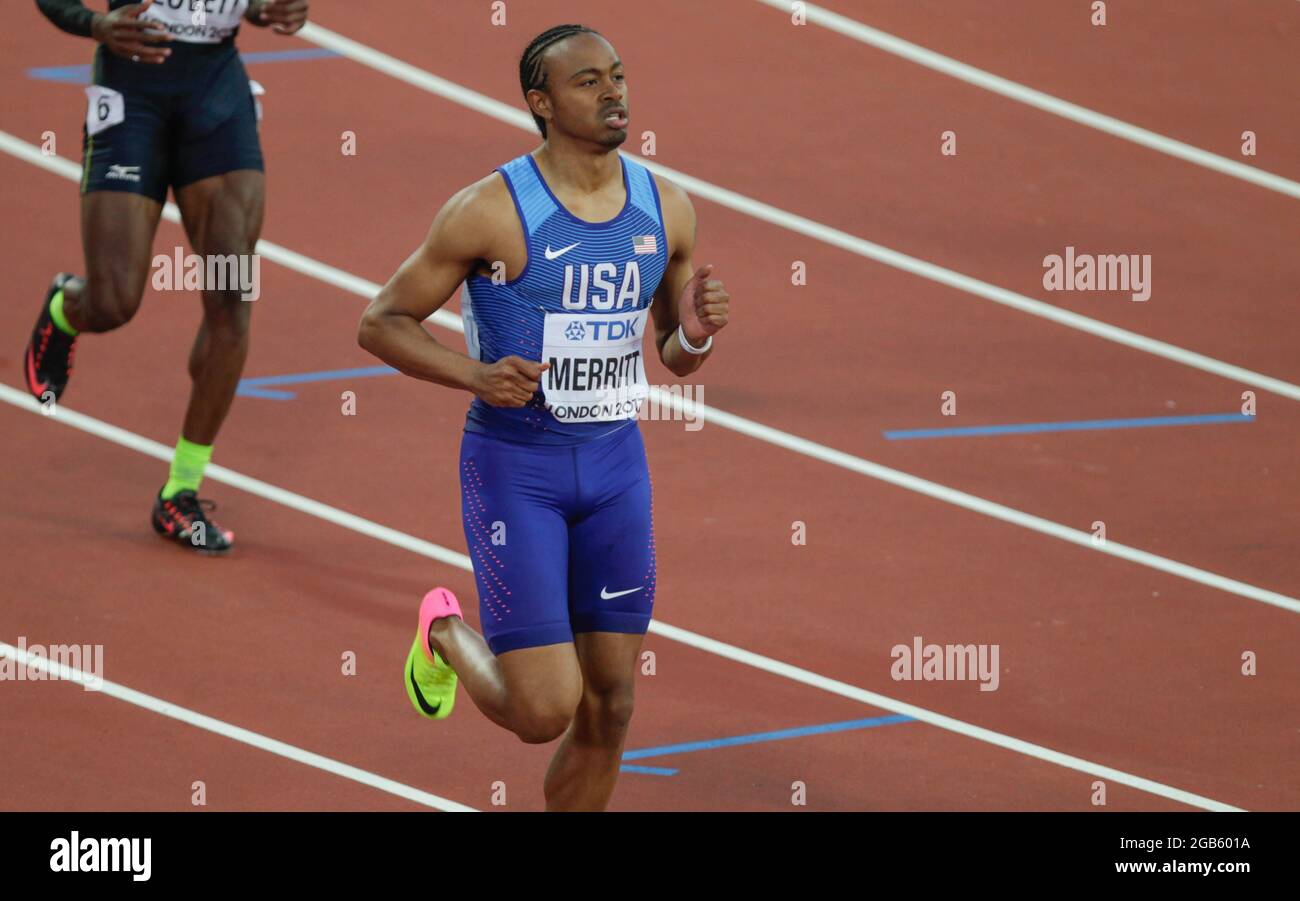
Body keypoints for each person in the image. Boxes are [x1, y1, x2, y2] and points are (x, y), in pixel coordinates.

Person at [358, 24, 731, 811]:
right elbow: (381, 321)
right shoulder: (490, 211)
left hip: (614, 466)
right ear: (541, 101)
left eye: (619, 77)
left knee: (613, 703)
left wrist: (694, 330)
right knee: (542, 709)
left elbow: (674, 351)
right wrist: (474, 373)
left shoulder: (666, 206)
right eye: (589, 82)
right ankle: (443, 635)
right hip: (515, 469)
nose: (613, 94)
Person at [25, 0, 309, 554]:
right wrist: (95, 25)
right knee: (113, 303)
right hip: (133, 94)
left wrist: (269, 9)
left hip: (216, 98)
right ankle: (66, 307)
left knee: (232, 296)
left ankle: (181, 489)